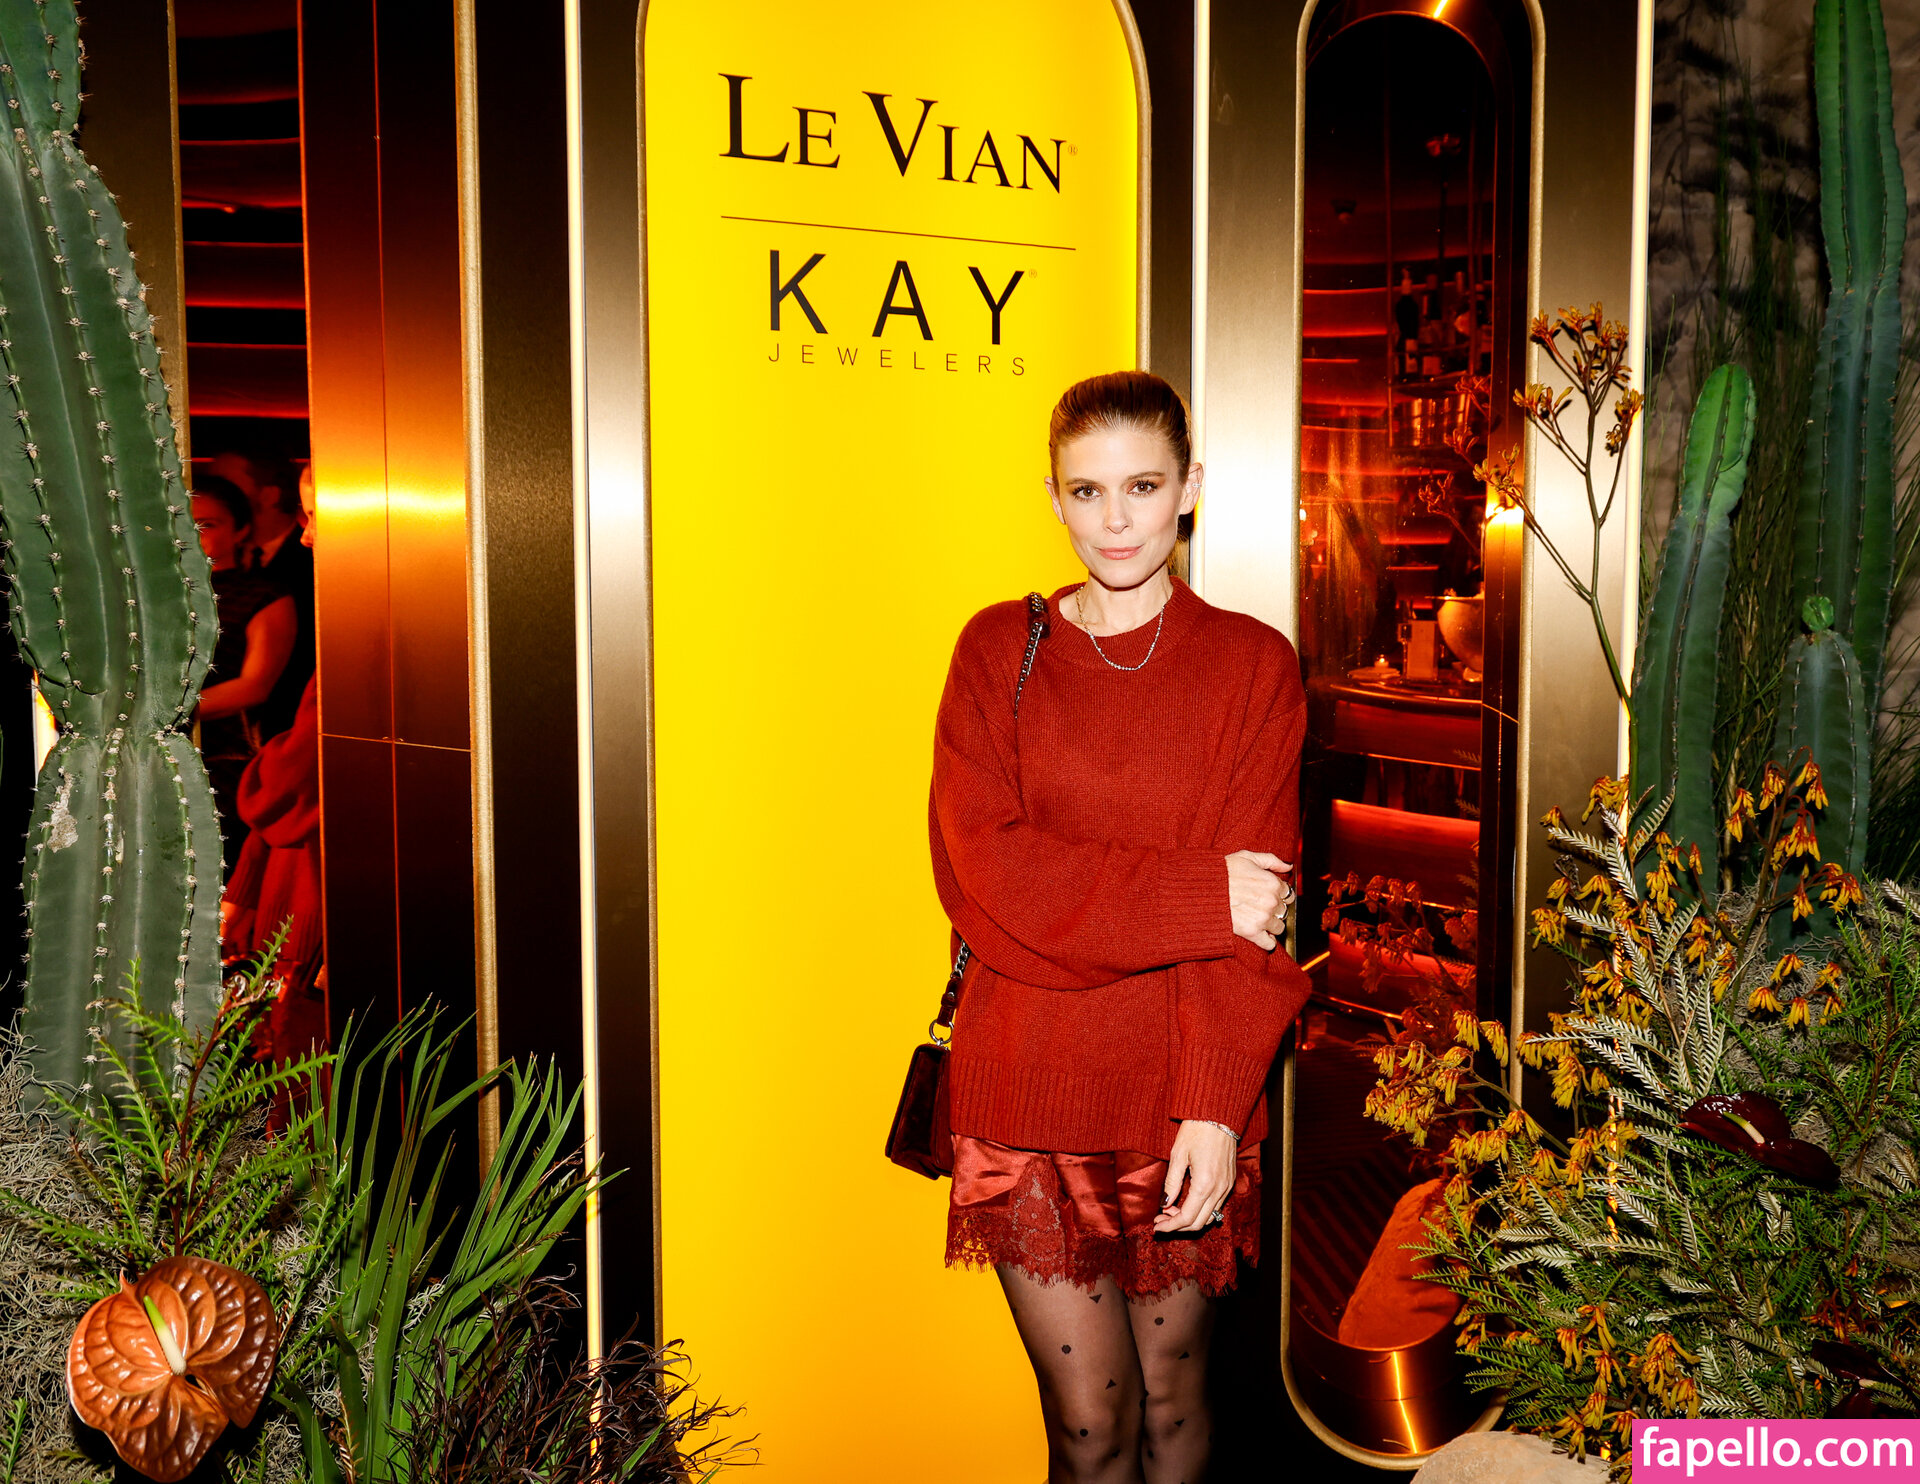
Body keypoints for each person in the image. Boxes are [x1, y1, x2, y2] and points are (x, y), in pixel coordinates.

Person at [930, 371, 1309, 1484]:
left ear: (1190, 488)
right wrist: (1200, 895)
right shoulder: (996, 650)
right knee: (1090, 1428)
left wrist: (1214, 1103)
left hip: (1181, 1091)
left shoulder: (1252, 664)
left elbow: (1257, 932)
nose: (1114, 520)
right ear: (1052, 495)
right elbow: (991, 881)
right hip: (1025, 1086)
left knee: (1176, 1404)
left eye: (1142, 486)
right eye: (1086, 490)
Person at [192, 475, 296, 877]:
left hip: (227, 758)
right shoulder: (151, 595)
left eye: (208, 524)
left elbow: (255, 686)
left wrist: (166, 712)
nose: (191, 533)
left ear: (240, 530)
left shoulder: (265, 596)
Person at [207, 448, 314, 740]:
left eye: (225, 482)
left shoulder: (313, 561)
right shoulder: (217, 568)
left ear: (269, 495)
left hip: (284, 723)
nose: (213, 490)